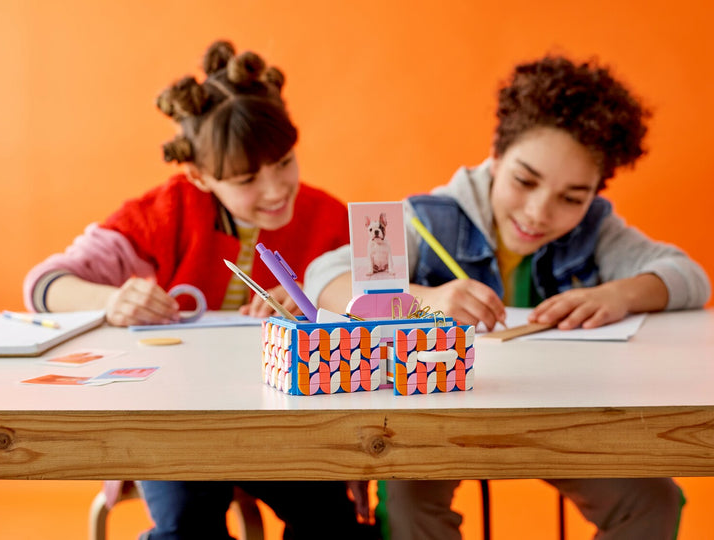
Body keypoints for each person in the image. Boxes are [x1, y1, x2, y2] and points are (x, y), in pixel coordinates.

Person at [304, 55, 711, 540]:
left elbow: (690, 277)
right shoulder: (428, 220)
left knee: (651, 500)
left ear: (594, 194)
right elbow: (323, 277)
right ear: (495, 157)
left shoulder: (597, 231)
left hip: (555, 419)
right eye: (524, 180)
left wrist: (622, 293)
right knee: (411, 508)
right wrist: (423, 299)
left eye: (572, 197)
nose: (540, 212)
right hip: (433, 422)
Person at [23, 40, 376, 540]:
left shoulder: (330, 222)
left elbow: (383, 313)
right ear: (199, 176)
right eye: (248, 178)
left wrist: (320, 303)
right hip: (174, 425)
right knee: (187, 527)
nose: (276, 189)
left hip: (288, 425)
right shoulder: (163, 216)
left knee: (332, 525)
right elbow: (45, 284)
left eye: (284, 162)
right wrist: (111, 299)